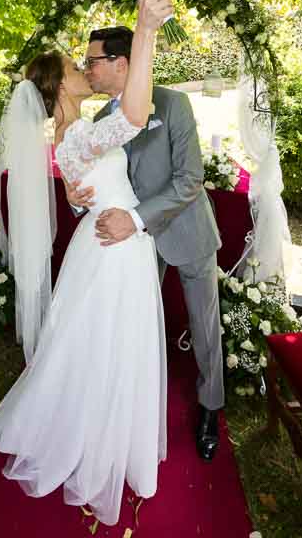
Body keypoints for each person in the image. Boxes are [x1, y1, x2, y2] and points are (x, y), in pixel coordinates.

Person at [0, 0, 173, 526]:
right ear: (59, 86)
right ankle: (100, 443)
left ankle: (102, 432)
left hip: (109, 240)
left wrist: (72, 194)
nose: (84, 71)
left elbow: (86, 181)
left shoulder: (72, 134)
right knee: (111, 346)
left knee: (98, 345)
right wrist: (145, 32)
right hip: (114, 251)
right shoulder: (76, 134)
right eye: (75, 67)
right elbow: (135, 117)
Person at [66, 25, 224, 461]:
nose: (87, 69)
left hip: (186, 232)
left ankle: (211, 407)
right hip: (133, 250)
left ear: (122, 63)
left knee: (205, 327)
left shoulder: (173, 103)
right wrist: (79, 202)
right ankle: (133, 405)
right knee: (133, 326)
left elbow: (190, 179)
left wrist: (135, 219)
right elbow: (101, 183)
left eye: (92, 60)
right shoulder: (99, 123)